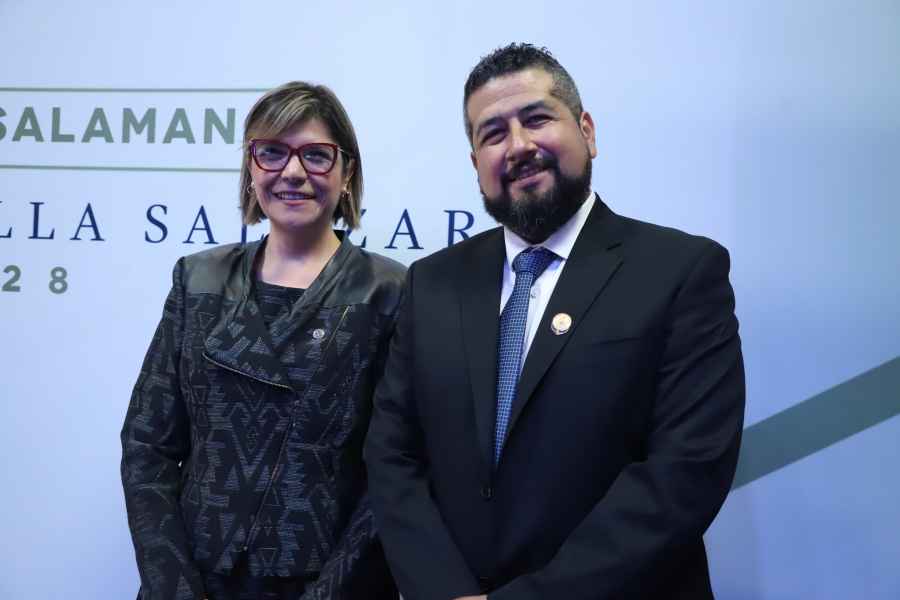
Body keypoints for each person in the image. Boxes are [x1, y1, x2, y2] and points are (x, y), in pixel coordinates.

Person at [365, 43, 745, 599]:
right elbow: (392, 454)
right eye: (493, 134)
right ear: (476, 164)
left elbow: (685, 471)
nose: (518, 146)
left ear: (587, 131)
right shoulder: (432, 283)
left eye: (537, 118)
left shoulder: (681, 271)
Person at [122, 81, 403, 600]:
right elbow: (147, 447)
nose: (292, 172)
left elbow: (395, 469)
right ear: (251, 170)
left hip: (327, 585)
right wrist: (174, 588)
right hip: (193, 581)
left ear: (346, 174)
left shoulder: (389, 292)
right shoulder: (197, 279)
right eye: (272, 153)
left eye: (316, 155)